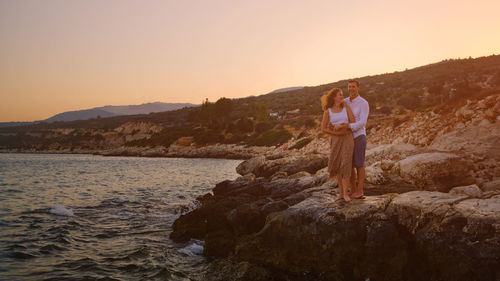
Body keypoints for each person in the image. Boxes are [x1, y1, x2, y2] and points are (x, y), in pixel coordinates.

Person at [321, 88, 355, 202]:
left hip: (347, 138)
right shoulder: (328, 111)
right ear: (334, 97)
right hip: (335, 140)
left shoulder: (346, 107)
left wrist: (342, 127)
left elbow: (353, 121)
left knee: (346, 164)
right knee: (338, 166)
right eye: (340, 95)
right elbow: (323, 128)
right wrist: (335, 133)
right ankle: (340, 193)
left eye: (342, 95)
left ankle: (346, 193)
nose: (342, 96)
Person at [342, 80, 370, 199]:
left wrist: (348, 126)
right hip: (347, 138)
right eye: (349, 87)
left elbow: (362, 122)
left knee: (359, 164)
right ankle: (353, 190)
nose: (351, 89)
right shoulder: (345, 101)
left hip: (359, 136)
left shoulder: (363, 103)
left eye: (353, 86)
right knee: (350, 165)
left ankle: (360, 191)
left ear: (358, 88)